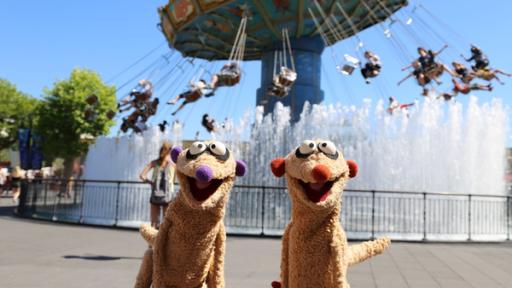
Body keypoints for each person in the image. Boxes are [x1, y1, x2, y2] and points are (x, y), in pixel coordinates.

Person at [139, 141, 175, 228]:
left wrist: (151, 182)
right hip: (168, 196)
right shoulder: (173, 165)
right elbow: (173, 181)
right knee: (166, 222)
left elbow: (142, 176)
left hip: (155, 195)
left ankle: (153, 240)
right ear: (170, 151)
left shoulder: (154, 163)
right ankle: (164, 240)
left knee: (154, 223)